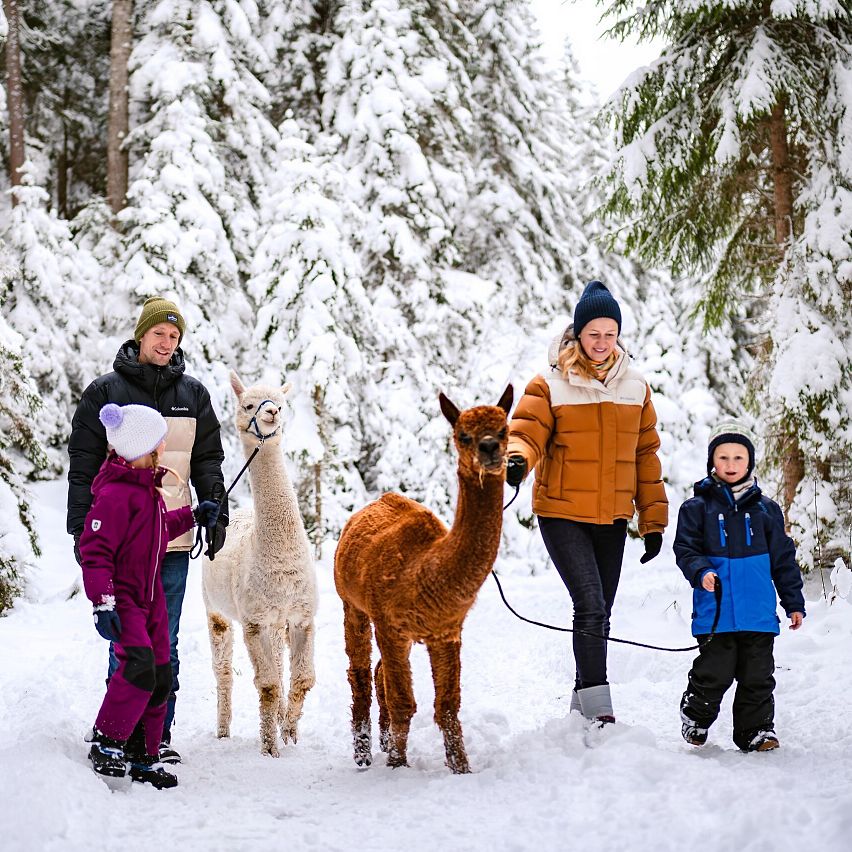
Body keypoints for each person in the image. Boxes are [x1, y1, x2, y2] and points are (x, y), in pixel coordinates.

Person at [67, 296, 228, 762]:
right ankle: (116, 733)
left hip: (171, 538)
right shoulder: (105, 392)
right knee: (127, 641)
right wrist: (83, 530)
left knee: (166, 643)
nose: (167, 342)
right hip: (121, 544)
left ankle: (155, 738)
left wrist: (214, 508)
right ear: (141, 335)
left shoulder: (194, 395)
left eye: (175, 336)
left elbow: (207, 459)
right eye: (159, 333)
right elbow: (83, 467)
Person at [506, 280, 668, 725]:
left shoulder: (635, 386)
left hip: (612, 517)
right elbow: (525, 432)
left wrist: (652, 521)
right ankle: (602, 715)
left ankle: (582, 704)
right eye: (593, 333)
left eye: (609, 333)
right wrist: (517, 460)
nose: (601, 342)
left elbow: (645, 456)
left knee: (601, 612)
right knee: (590, 604)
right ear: (577, 335)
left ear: (618, 335)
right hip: (561, 513)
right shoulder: (551, 384)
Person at [80, 403, 220, 788]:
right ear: (140, 447)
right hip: (124, 597)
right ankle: (108, 741)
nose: (162, 447)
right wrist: (103, 602)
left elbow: (158, 527)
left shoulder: (147, 489)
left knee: (160, 672)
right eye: (158, 442)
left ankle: (145, 752)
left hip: (151, 595)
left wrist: (193, 515)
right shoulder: (113, 496)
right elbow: (95, 552)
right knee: (138, 666)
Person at [674, 420, 805, 752]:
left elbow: (783, 560)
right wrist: (700, 570)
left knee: (758, 676)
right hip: (715, 613)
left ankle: (756, 731)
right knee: (715, 671)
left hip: (759, 613)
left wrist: (793, 602)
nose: (730, 465)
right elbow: (685, 549)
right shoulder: (697, 508)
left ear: (750, 462)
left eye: (738, 458)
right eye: (723, 458)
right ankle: (696, 717)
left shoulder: (766, 510)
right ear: (711, 461)